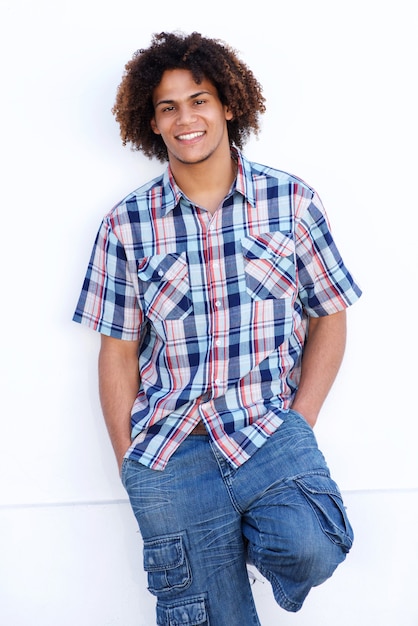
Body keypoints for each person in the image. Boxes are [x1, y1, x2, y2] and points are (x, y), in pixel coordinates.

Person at [73, 31, 362, 626]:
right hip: (172, 449)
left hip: (266, 428)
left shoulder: (292, 202)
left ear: (228, 104)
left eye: (199, 99)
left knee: (310, 546)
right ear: (151, 124)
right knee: (211, 619)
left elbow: (330, 314)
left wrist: (299, 424)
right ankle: (212, 549)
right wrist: (133, 464)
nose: (186, 118)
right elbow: (117, 352)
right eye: (168, 106)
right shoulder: (126, 226)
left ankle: (233, 538)